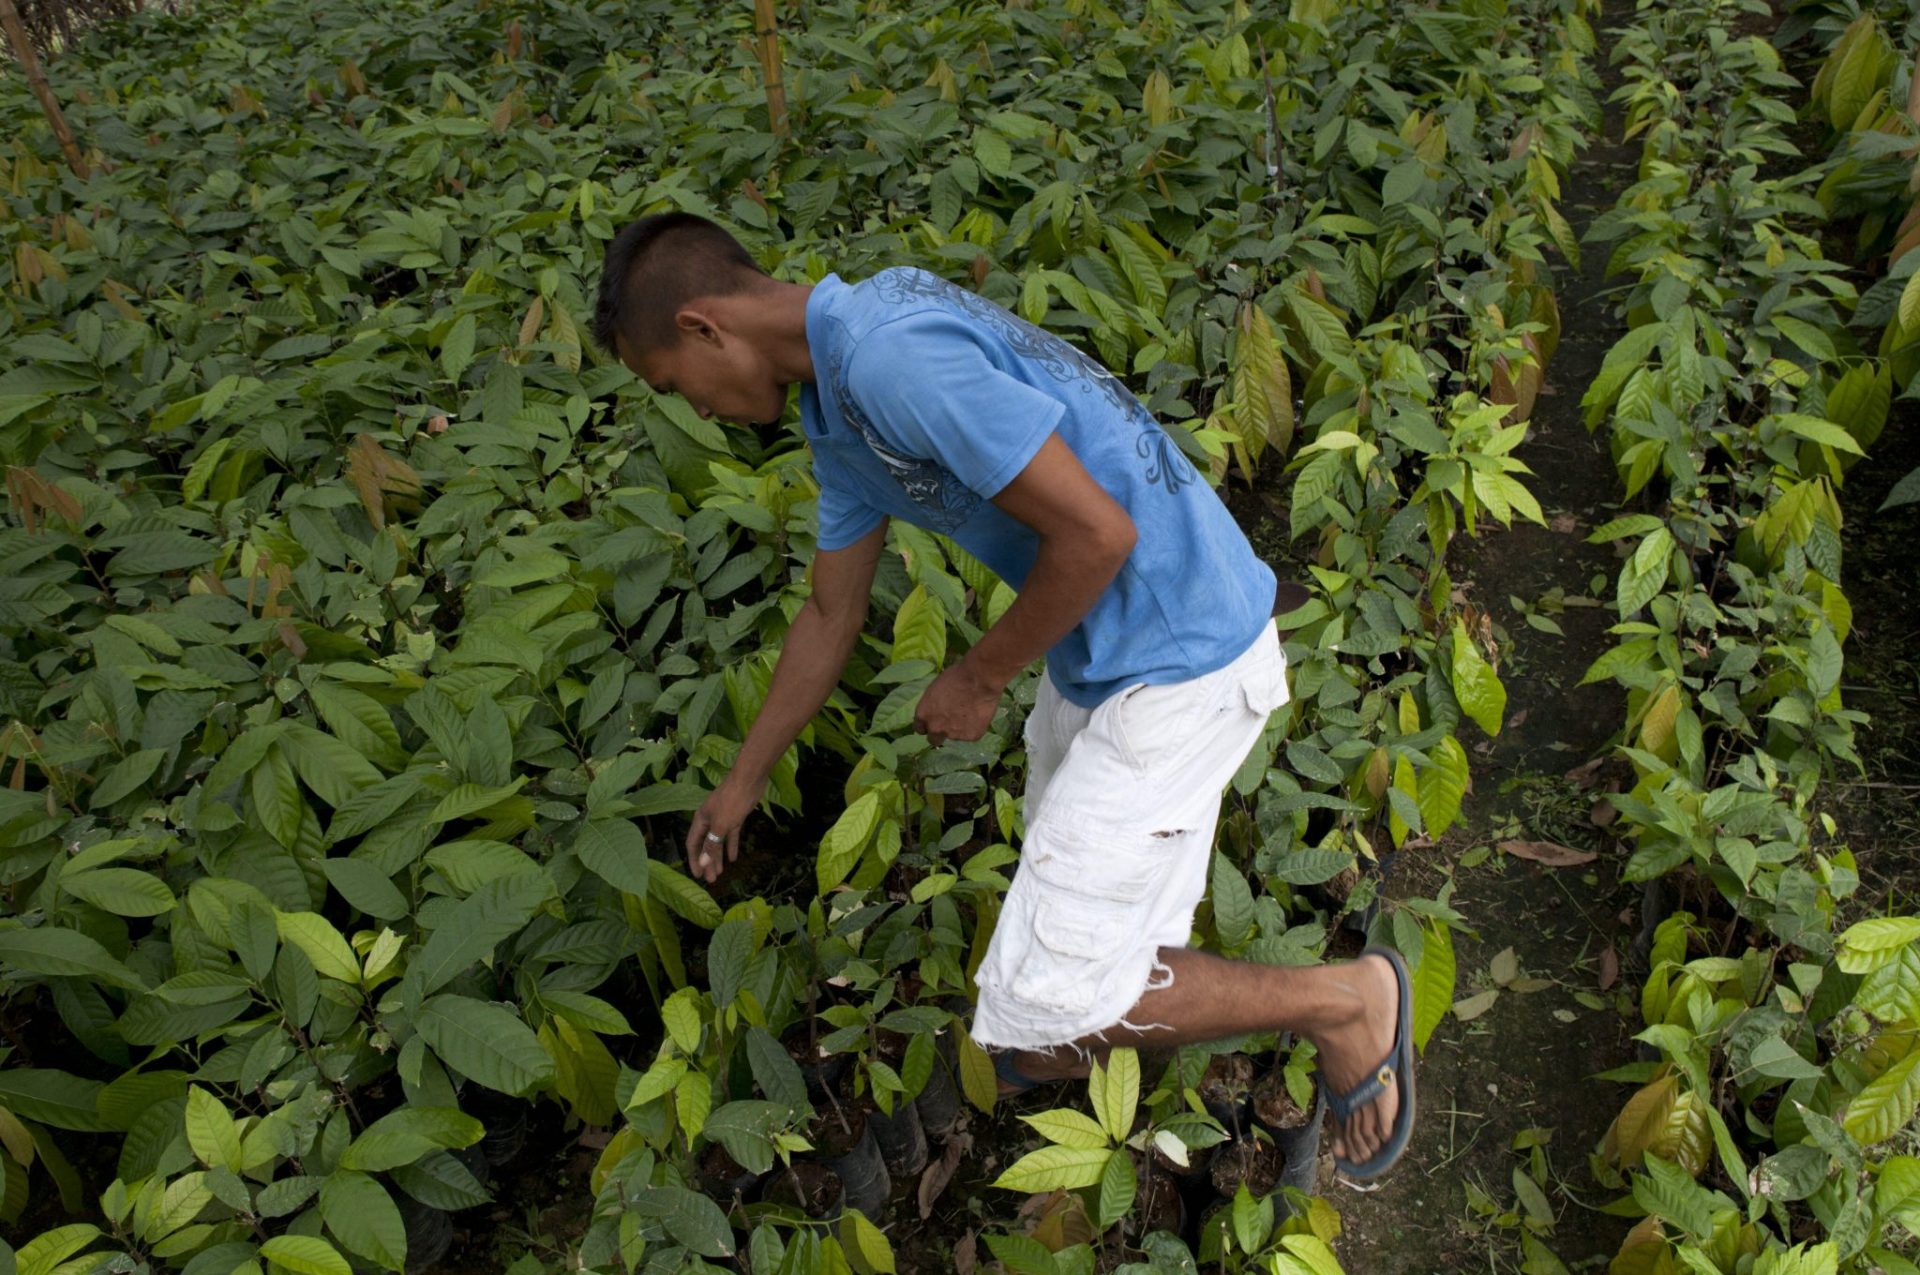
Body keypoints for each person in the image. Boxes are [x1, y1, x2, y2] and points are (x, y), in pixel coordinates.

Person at [592, 212, 1416, 1179]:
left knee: (1059, 997)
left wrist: (977, 675)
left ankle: (1348, 1001)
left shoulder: (888, 362)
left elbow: (1098, 537)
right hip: (1110, 653)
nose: (690, 409)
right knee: (1053, 1008)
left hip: (1178, 653)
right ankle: (1089, 1022)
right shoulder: (839, 405)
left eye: (667, 386)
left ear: (701, 328)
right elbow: (829, 612)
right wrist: (741, 784)